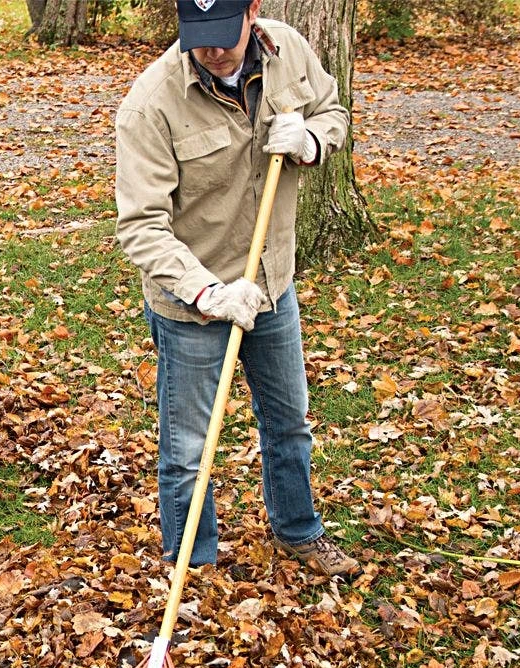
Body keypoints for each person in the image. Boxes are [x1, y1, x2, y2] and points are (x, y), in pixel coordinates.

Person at [115, 0, 361, 581]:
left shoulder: (288, 52)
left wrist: (311, 141)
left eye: (224, 33)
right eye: (199, 36)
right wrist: (207, 292)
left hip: (272, 284)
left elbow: (333, 113)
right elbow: (141, 225)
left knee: (288, 422)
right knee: (188, 452)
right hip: (192, 305)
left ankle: (299, 533)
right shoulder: (151, 104)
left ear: (253, 10)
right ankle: (191, 567)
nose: (212, 50)